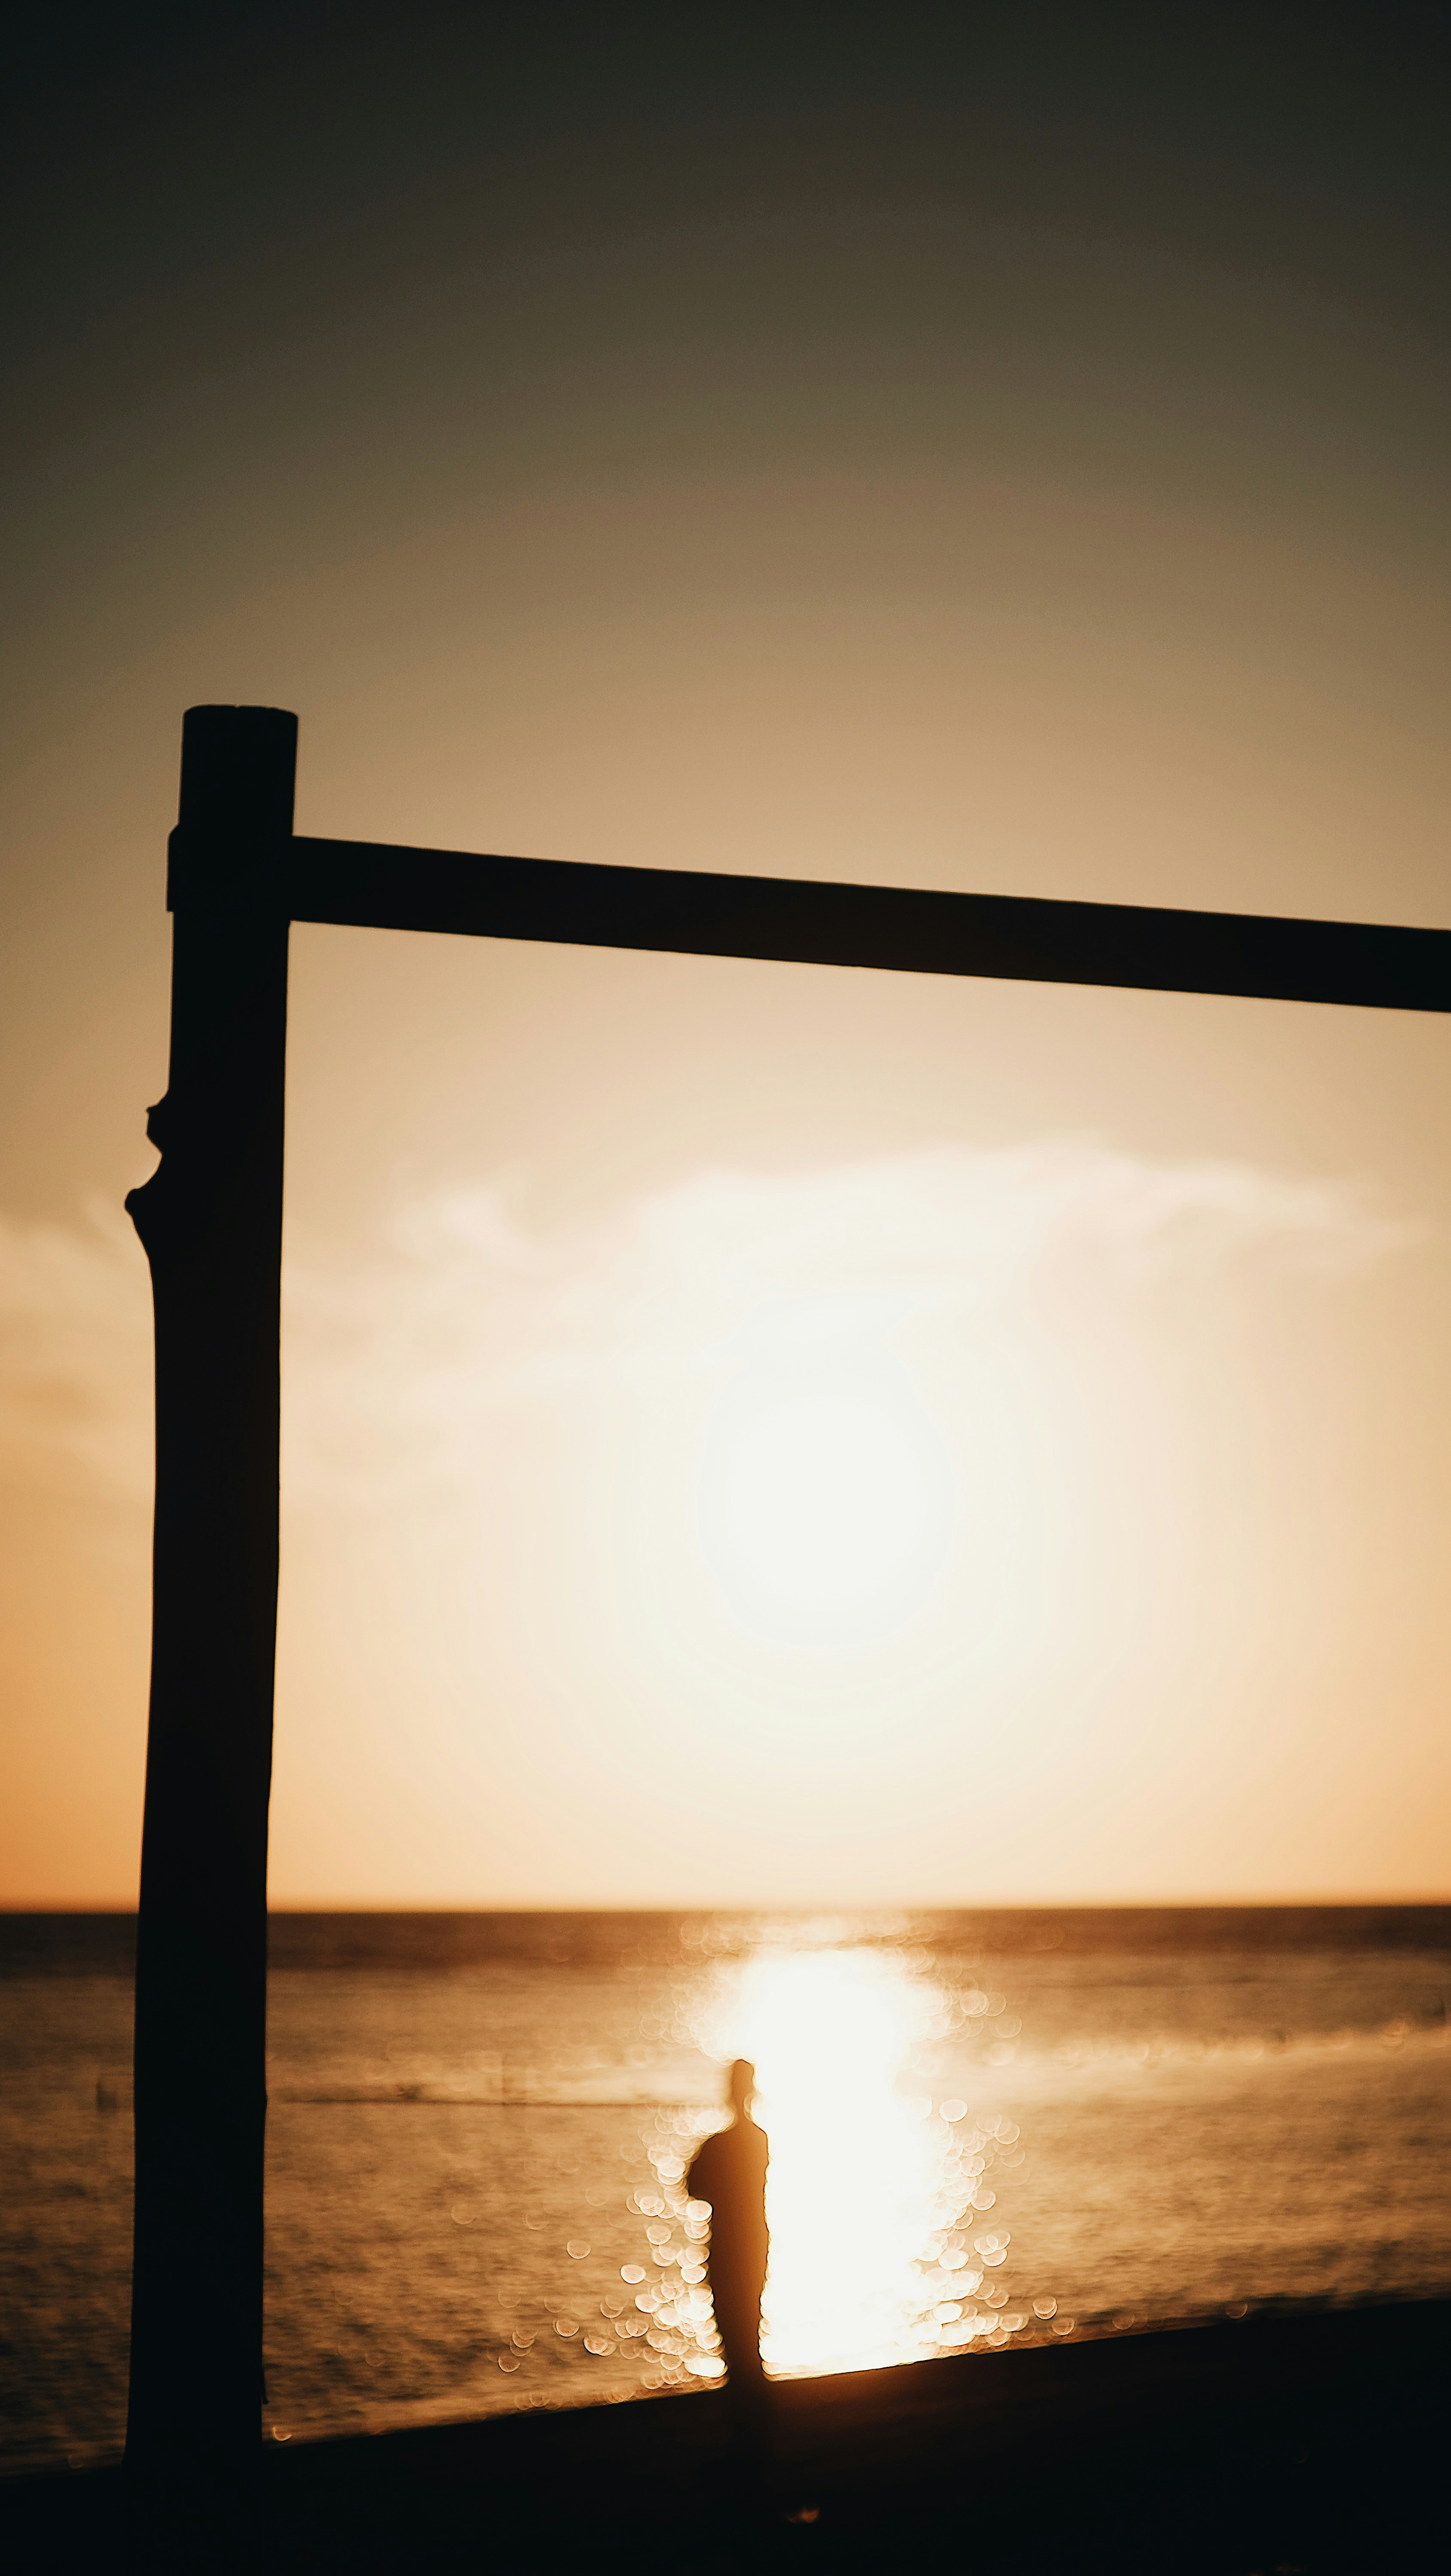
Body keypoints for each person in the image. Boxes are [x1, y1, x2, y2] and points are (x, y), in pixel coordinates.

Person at [687, 2059, 770, 2445]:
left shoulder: (724, 2143)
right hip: (754, 2244)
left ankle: (747, 2423)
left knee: (733, 2331)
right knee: (746, 2329)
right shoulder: (757, 2138)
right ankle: (753, 2418)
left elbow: (692, 2186)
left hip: (730, 2245)